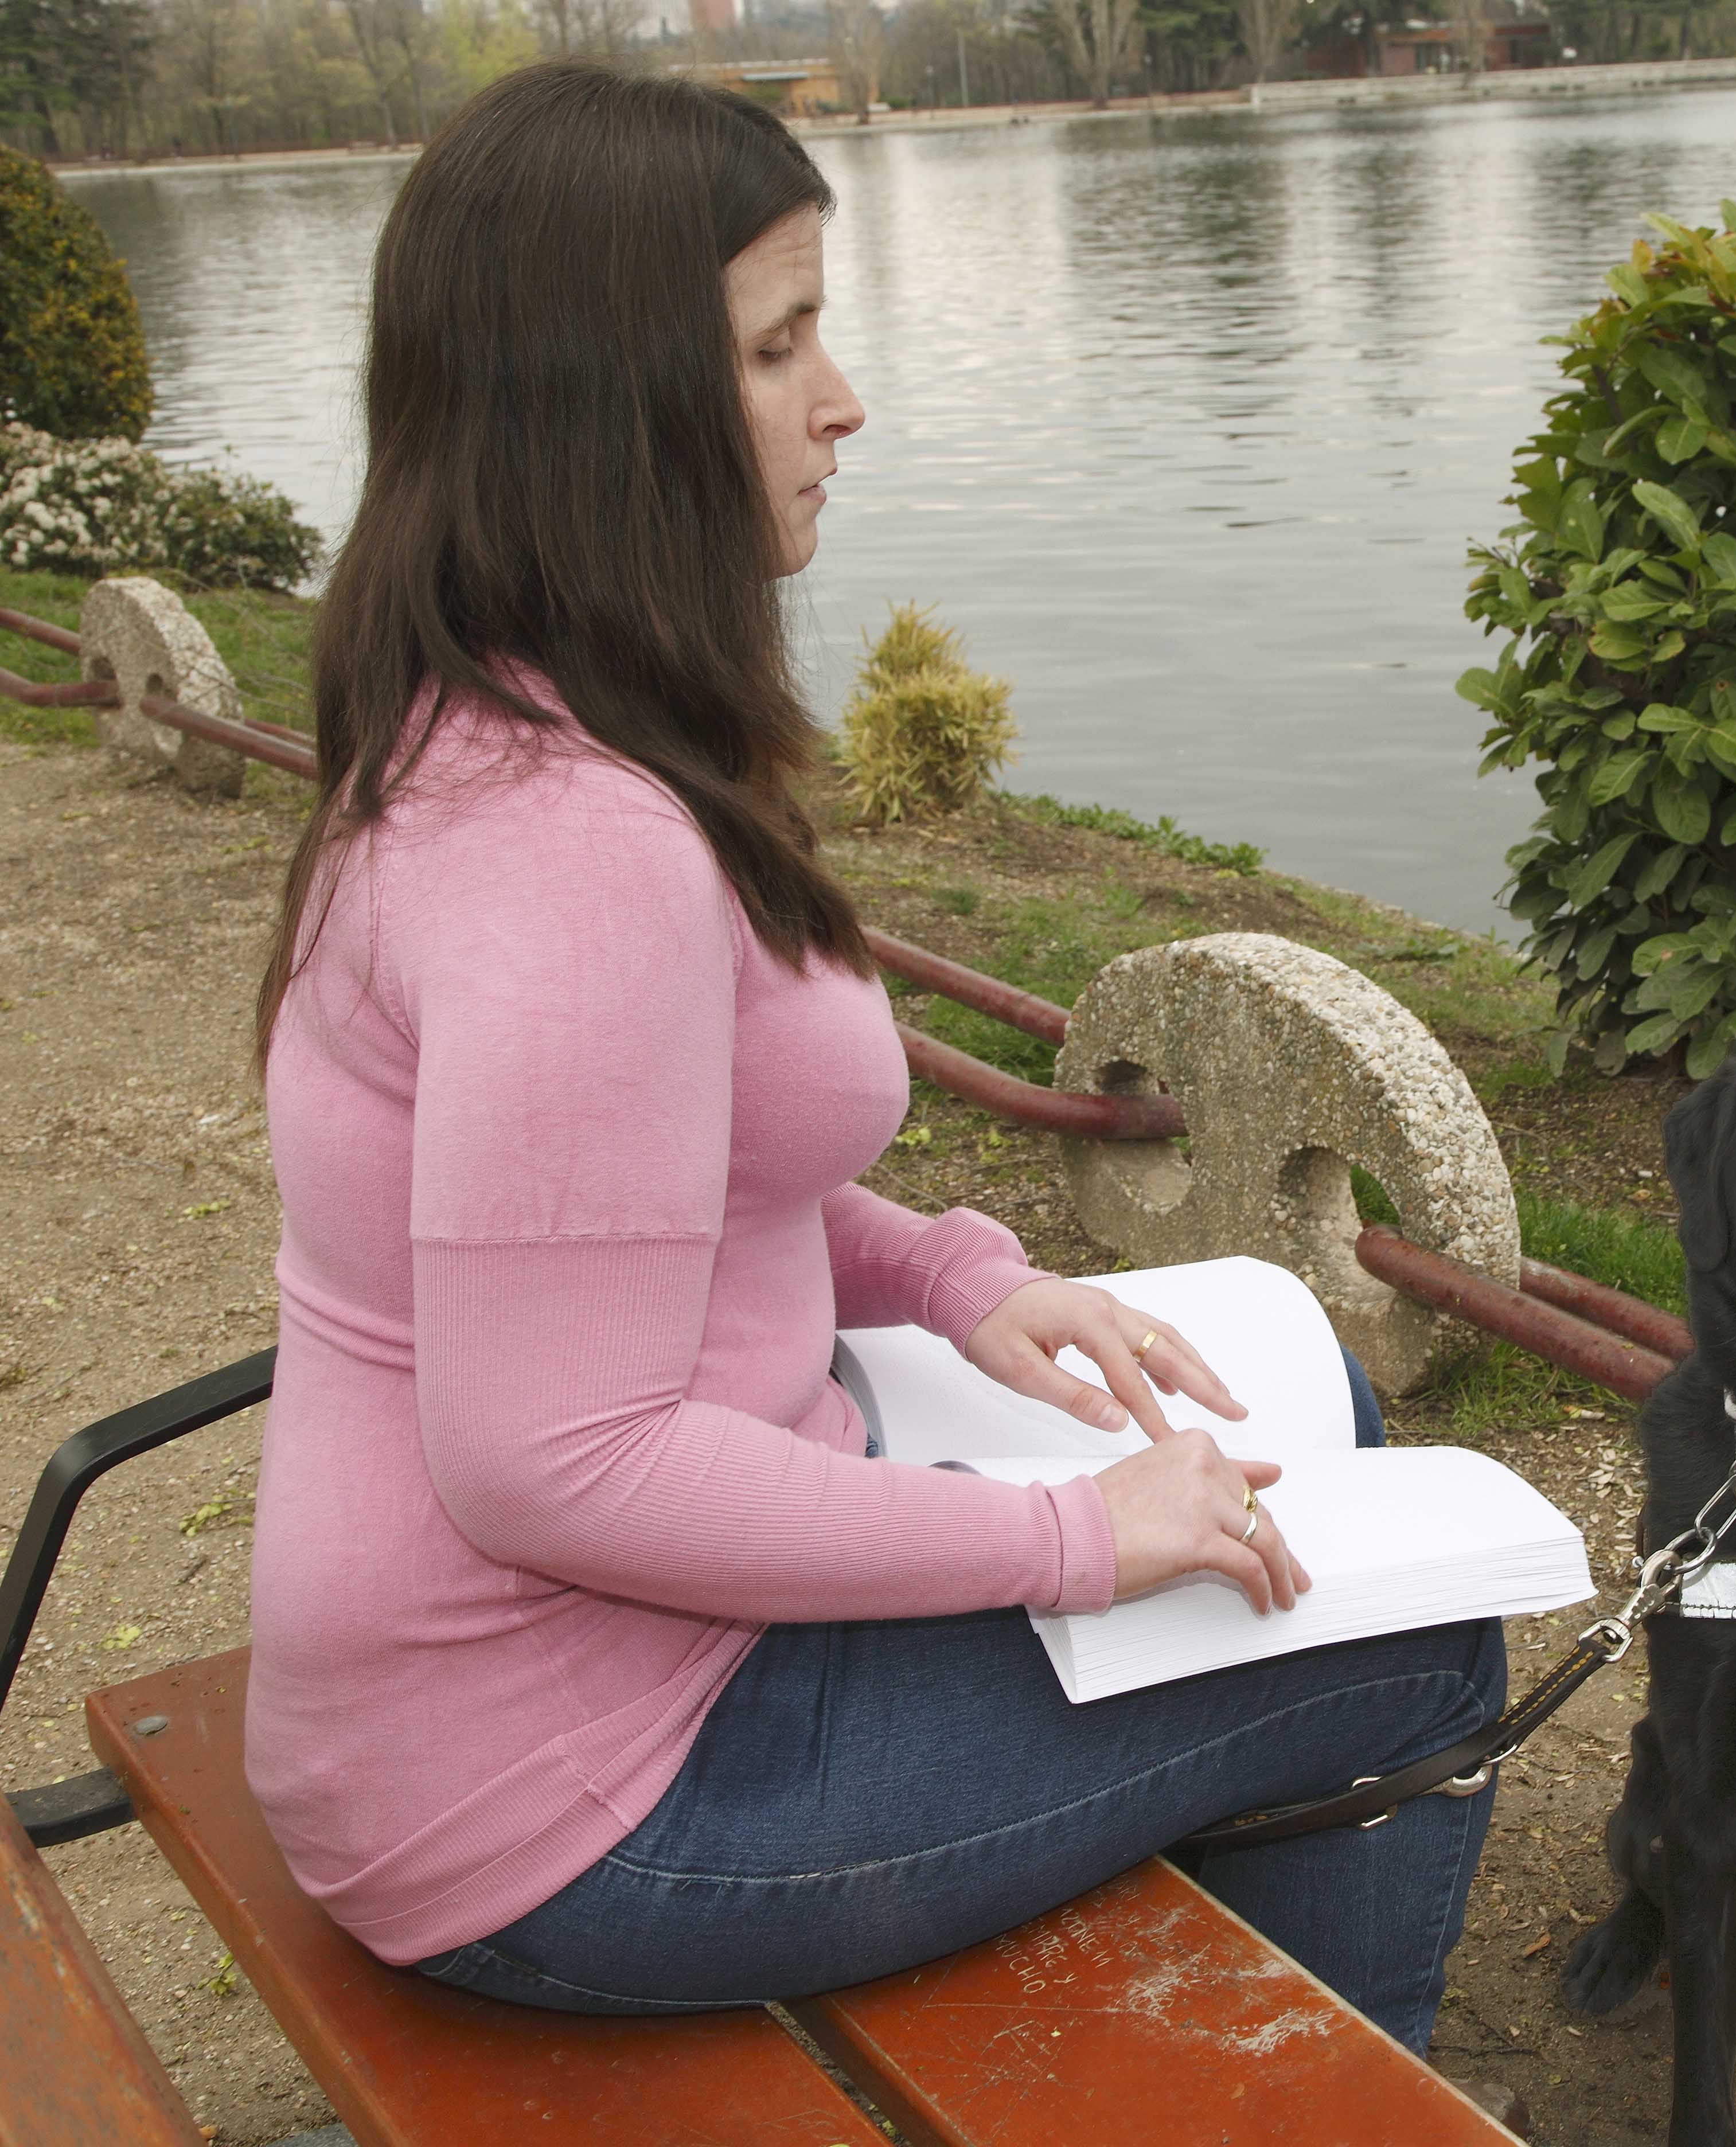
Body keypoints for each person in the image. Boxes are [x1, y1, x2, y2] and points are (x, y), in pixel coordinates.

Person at [245, 58, 1502, 2052]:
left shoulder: (499, 720)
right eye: (777, 343)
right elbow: (553, 1467)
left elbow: (647, 1186)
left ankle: (1151, 1984)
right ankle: (1272, 2095)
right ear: (613, 413)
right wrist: (1076, 1544)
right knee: (1418, 1639)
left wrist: (950, 1274)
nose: (844, 400)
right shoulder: (576, 853)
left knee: (1312, 1394)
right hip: (580, 1789)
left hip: (517, 1696)